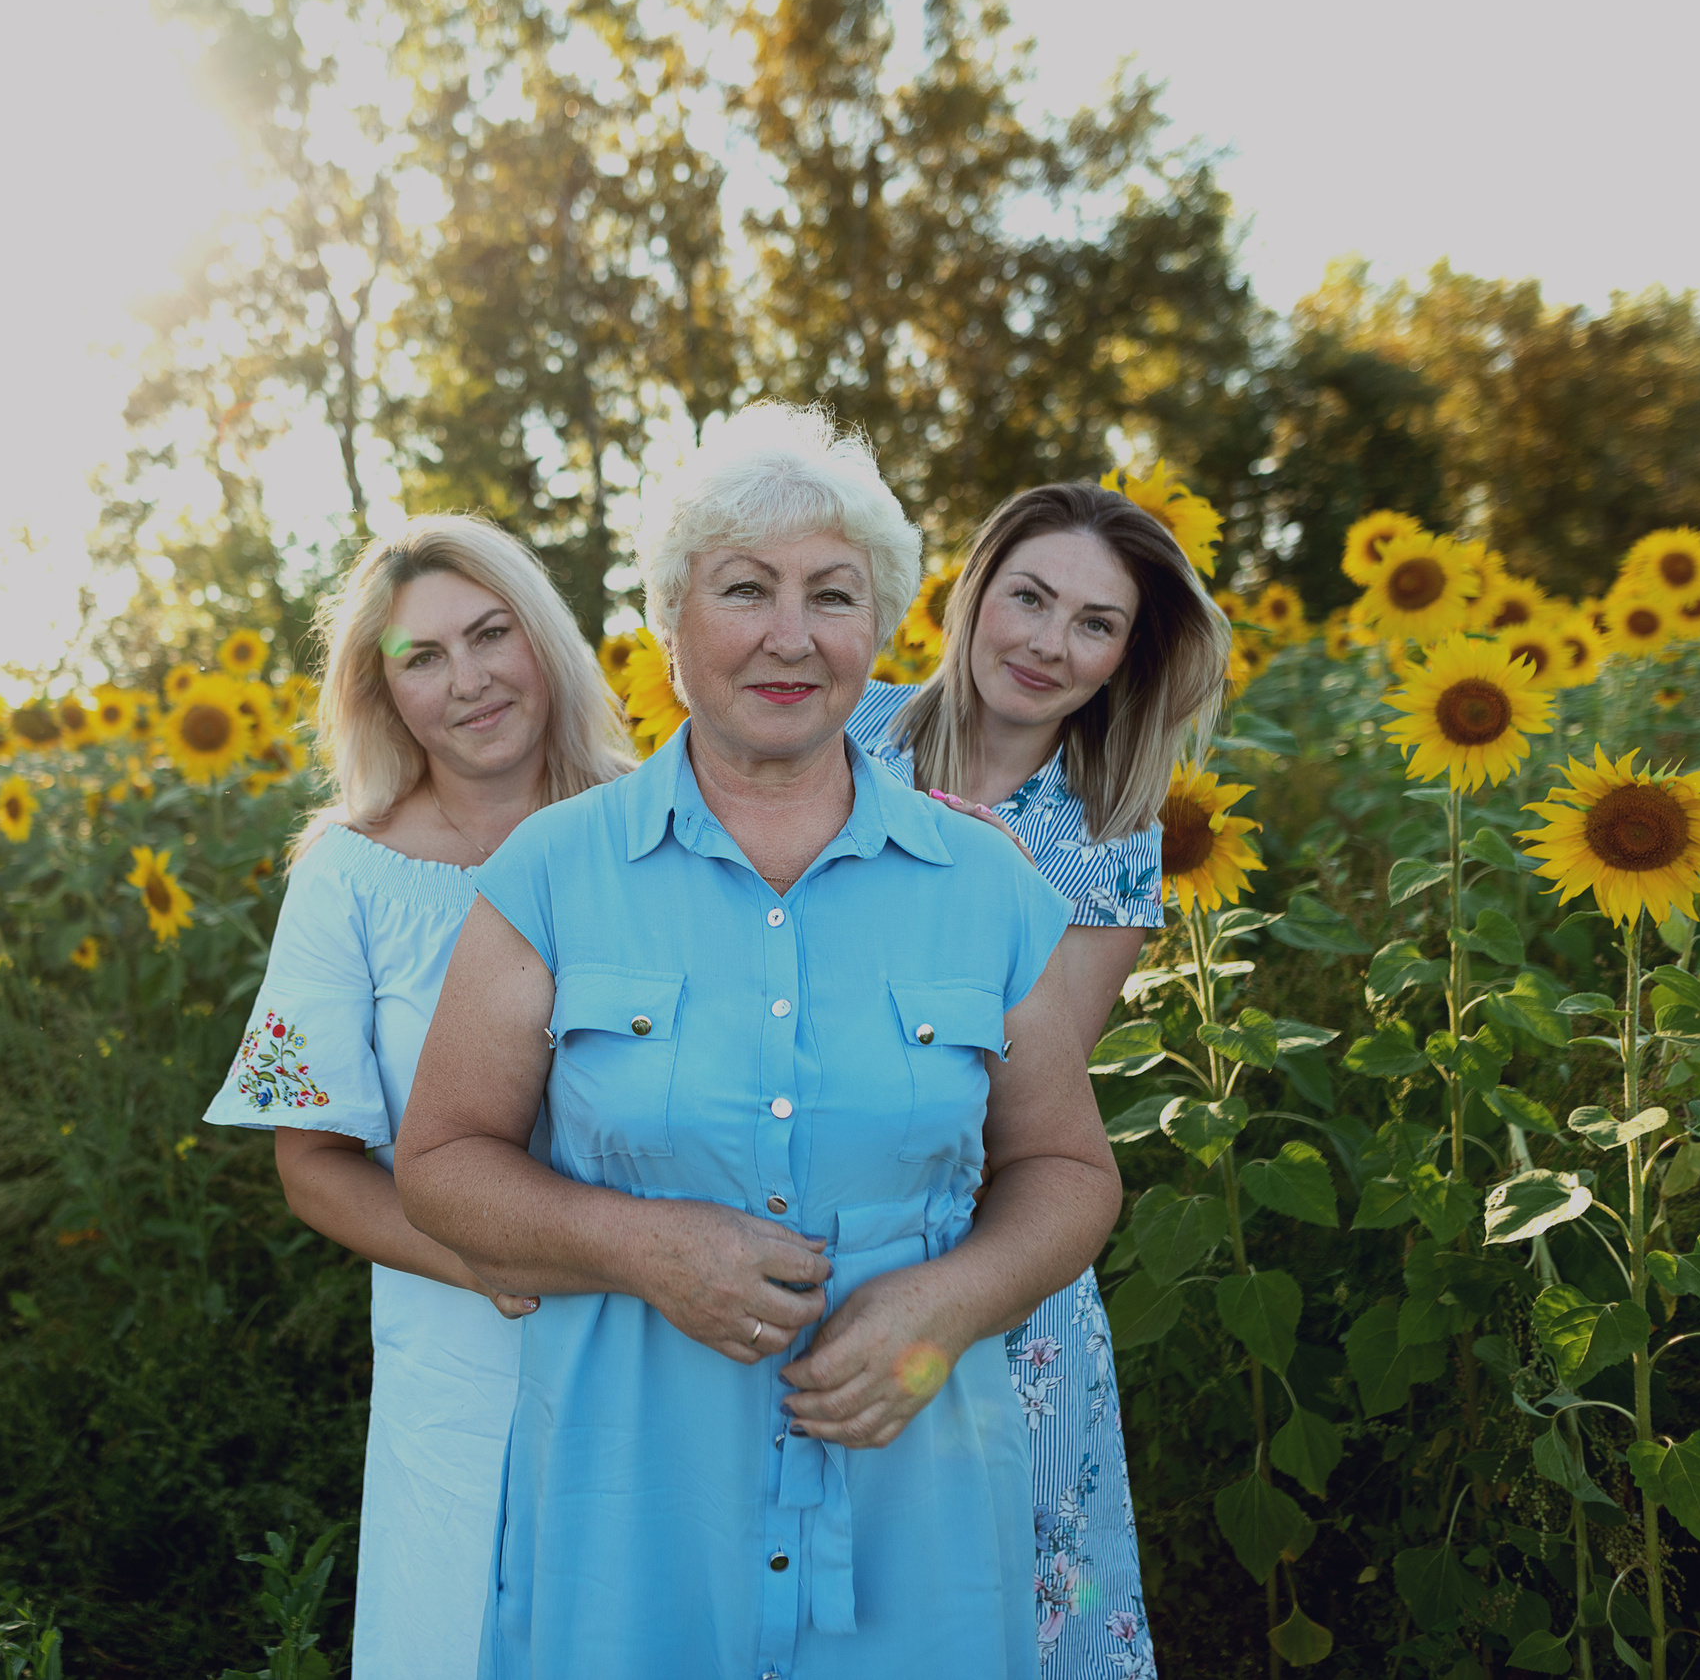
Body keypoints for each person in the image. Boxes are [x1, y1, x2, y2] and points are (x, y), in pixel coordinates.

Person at [397, 404, 1123, 1679]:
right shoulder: (552, 872)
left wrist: (947, 1305)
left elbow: (1068, 1170)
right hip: (632, 1494)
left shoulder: (984, 881)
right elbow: (442, 1158)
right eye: (744, 589)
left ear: (879, 631)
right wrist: (639, 1242)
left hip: (922, 1486)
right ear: (672, 622)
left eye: (832, 596)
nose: (790, 635)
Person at [201, 515, 634, 1680]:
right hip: (461, 1362)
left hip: (670, 1337)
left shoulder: (660, 825)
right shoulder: (350, 873)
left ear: (543, 639)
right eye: (422, 657)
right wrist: (483, 1261)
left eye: (491, 633)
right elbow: (311, 1165)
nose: (469, 679)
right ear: (383, 695)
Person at [847, 481, 1228, 1673]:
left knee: (1008, 1597)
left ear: (1125, 655)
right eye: (1029, 597)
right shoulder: (838, 732)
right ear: (973, 592)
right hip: (794, 1212)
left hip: (990, 1265)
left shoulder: (1106, 831)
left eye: (1094, 624)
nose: (1048, 645)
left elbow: (1025, 1087)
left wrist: (989, 886)